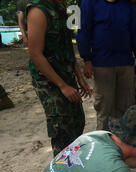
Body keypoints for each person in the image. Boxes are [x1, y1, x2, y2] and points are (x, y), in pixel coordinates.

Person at [27, 0, 92, 157]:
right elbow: (35, 53)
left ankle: (74, 165)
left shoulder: (63, 9)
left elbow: (67, 48)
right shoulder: (38, 11)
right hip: (48, 82)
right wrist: (62, 86)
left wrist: (80, 78)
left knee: (77, 121)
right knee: (62, 129)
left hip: (66, 75)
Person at [77, 0, 136, 131]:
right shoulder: (89, 3)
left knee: (126, 108)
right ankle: (104, 145)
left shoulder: (128, 4)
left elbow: (135, 32)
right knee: (104, 108)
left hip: (126, 64)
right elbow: (84, 31)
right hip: (102, 65)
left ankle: (125, 144)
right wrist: (87, 60)